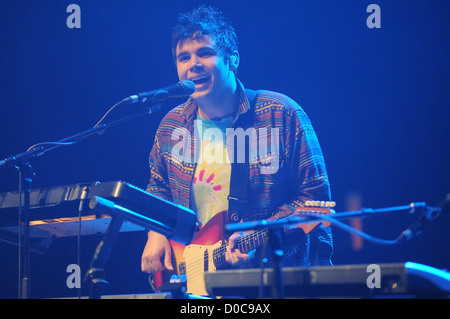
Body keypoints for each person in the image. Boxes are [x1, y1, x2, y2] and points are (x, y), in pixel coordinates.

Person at [141, 5, 333, 292]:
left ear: (233, 59)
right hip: (194, 281)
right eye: (184, 57)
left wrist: (257, 238)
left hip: (279, 281)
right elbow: (159, 187)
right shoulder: (172, 126)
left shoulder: (280, 114)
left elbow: (313, 197)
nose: (193, 64)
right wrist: (155, 233)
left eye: (205, 53)